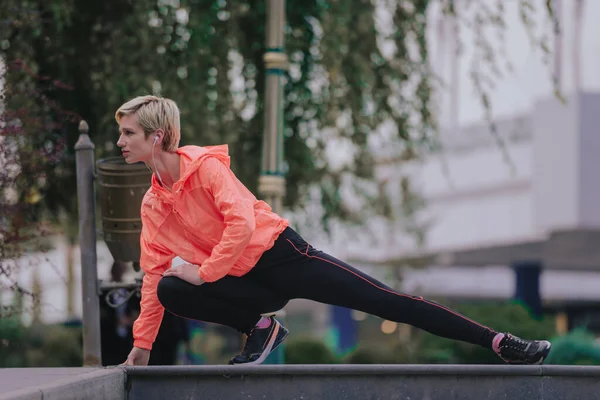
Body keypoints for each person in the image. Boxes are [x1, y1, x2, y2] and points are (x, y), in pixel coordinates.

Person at [116, 95, 552, 366]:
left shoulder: (206, 168)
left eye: (128, 132)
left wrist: (204, 272)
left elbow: (242, 222)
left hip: (283, 257)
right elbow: (154, 273)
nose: (120, 141)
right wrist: (143, 345)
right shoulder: (154, 203)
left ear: (156, 137)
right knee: (171, 288)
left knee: (387, 302)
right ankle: (261, 328)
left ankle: (499, 342)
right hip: (244, 282)